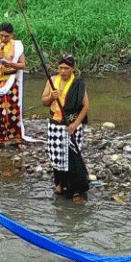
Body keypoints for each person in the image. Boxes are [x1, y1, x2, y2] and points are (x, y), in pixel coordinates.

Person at [41, 55, 90, 199]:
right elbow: (44, 101)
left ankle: (76, 187)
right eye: (61, 68)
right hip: (55, 124)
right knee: (56, 155)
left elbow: (86, 106)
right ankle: (60, 183)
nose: (63, 71)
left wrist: (75, 125)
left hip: (71, 124)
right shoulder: (51, 81)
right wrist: (51, 96)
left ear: (72, 69)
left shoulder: (78, 83)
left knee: (72, 156)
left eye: (66, 69)